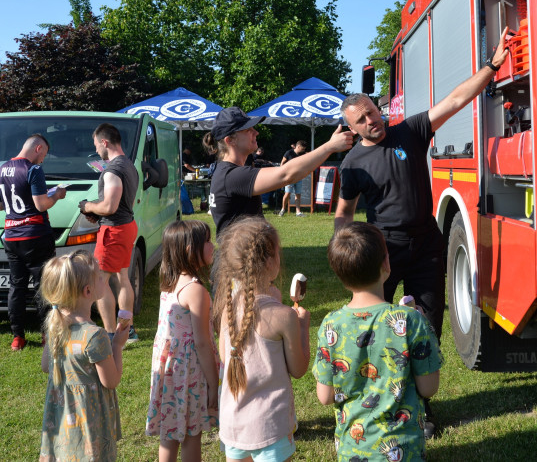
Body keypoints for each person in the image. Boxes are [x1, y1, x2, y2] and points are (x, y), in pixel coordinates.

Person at [333, 28, 508, 435]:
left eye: (372, 113)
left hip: (428, 245)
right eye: (361, 121)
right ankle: (377, 404)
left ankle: (420, 408)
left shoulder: (408, 132)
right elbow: (344, 214)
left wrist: (492, 65)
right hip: (384, 252)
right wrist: (345, 254)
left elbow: (455, 100)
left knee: (427, 326)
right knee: (374, 328)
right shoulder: (353, 164)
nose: (371, 122)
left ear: (378, 110)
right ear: (352, 129)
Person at [313, 222, 441, 461]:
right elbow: (429, 388)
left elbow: (324, 396)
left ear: (340, 275)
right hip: (405, 452)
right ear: (386, 264)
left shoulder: (331, 325)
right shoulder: (411, 321)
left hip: (352, 450)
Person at [212, 217, 310, 461]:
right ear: (269, 262)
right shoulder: (284, 316)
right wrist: (303, 327)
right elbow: (298, 369)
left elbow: (226, 358)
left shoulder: (227, 309)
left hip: (233, 425)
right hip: (271, 428)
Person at [203, 107, 352, 239]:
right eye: (248, 130)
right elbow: (287, 175)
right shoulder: (232, 176)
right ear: (230, 140)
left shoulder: (226, 172)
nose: (256, 132)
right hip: (241, 266)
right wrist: (329, 147)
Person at [39, 250, 129, 462]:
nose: (102, 279)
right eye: (99, 276)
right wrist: (116, 344)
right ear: (88, 291)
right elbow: (111, 380)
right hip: (88, 421)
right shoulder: (95, 335)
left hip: (61, 420)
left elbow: (46, 366)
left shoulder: (55, 327)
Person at [146, 220, 219, 462]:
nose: (212, 246)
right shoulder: (195, 290)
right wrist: (213, 382)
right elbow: (202, 342)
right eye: (208, 241)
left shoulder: (169, 284)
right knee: (191, 434)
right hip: (189, 372)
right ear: (190, 250)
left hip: (169, 371)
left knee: (169, 433)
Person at [0, 134, 68, 351]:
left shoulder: (1, 170)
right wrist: (57, 195)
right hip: (35, 235)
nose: (43, 160)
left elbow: (0, 206)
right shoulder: (33, 170)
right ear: (38, 148)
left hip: (11, 235)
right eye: (43, 154)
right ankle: (47, 334)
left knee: (16, 286)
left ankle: (18, 336)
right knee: (43, 285)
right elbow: (41, 204)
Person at [79, 123, 141, 345]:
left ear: (104, 142)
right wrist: (98, 208)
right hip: (126, 226)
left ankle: (111, 333)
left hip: (114, 230)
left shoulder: (113, 170)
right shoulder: (129, 165)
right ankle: (129, 329)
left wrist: (88, 206)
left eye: (96, 145)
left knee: (100, 281)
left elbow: (110, 207)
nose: (96, 150)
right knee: (123, 278)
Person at [277, 141, 308, 217]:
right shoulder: (289, 153)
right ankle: (283, 210)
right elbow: (282, 163)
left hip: (299, 177)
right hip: (289, 177)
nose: (303, 150)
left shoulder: (303, 154)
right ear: (298, 147)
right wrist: (282, 173)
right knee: (287, 193)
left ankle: (298, 212)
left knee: (298, 194)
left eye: (304, 149)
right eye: (302, 149)